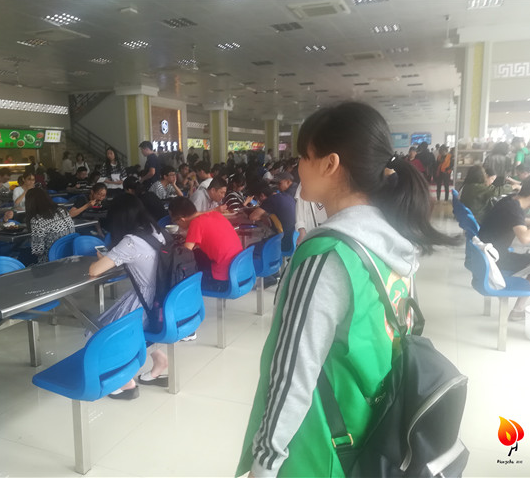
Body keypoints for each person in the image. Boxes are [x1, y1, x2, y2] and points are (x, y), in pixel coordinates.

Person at [237, 102, 457, 477]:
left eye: (304, 157)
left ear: (330, 164)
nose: (297, 167)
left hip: (320, 448)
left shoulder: (327, 255)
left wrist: (265, 461)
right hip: (372, 432)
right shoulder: (392, 239)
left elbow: (294, 373)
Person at [89, 194, 171, 399]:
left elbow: (94, 271)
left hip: (145, 301)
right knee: (129, 327)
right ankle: (159, 360)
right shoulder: (156, 231)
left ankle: (125, 382)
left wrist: (103, 258)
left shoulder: (131, 242)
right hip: (163, 299)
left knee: (97, 330)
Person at [478, 174, 530, 320]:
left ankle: (518, 311)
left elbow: (519, 221)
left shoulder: (510, 201)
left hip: (490, 254)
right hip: (496, 260)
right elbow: (524, 237)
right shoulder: (514, 209)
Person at [169, 197, 242, 292]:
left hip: (224, 279)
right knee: (198, 254)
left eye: (175, 222)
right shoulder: (215, 214)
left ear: (182, 219)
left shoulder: (196, 223)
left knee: (183, 265)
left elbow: (184, 254)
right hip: (239, 269)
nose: (178, 225)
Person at [23, 188, 75, 264]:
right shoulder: (62, 211)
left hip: (51, 261)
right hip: (69, 255)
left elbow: (38, 251)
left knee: (22, 255)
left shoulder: (37, 220)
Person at [249, 182, 296, 252]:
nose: (259, 202)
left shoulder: (271, 200)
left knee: (250, 247)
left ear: (262, 195)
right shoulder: (287, 196)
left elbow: (252, 217)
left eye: (257, 199)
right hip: (293, 239)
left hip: (282, 242)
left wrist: (264, 217)